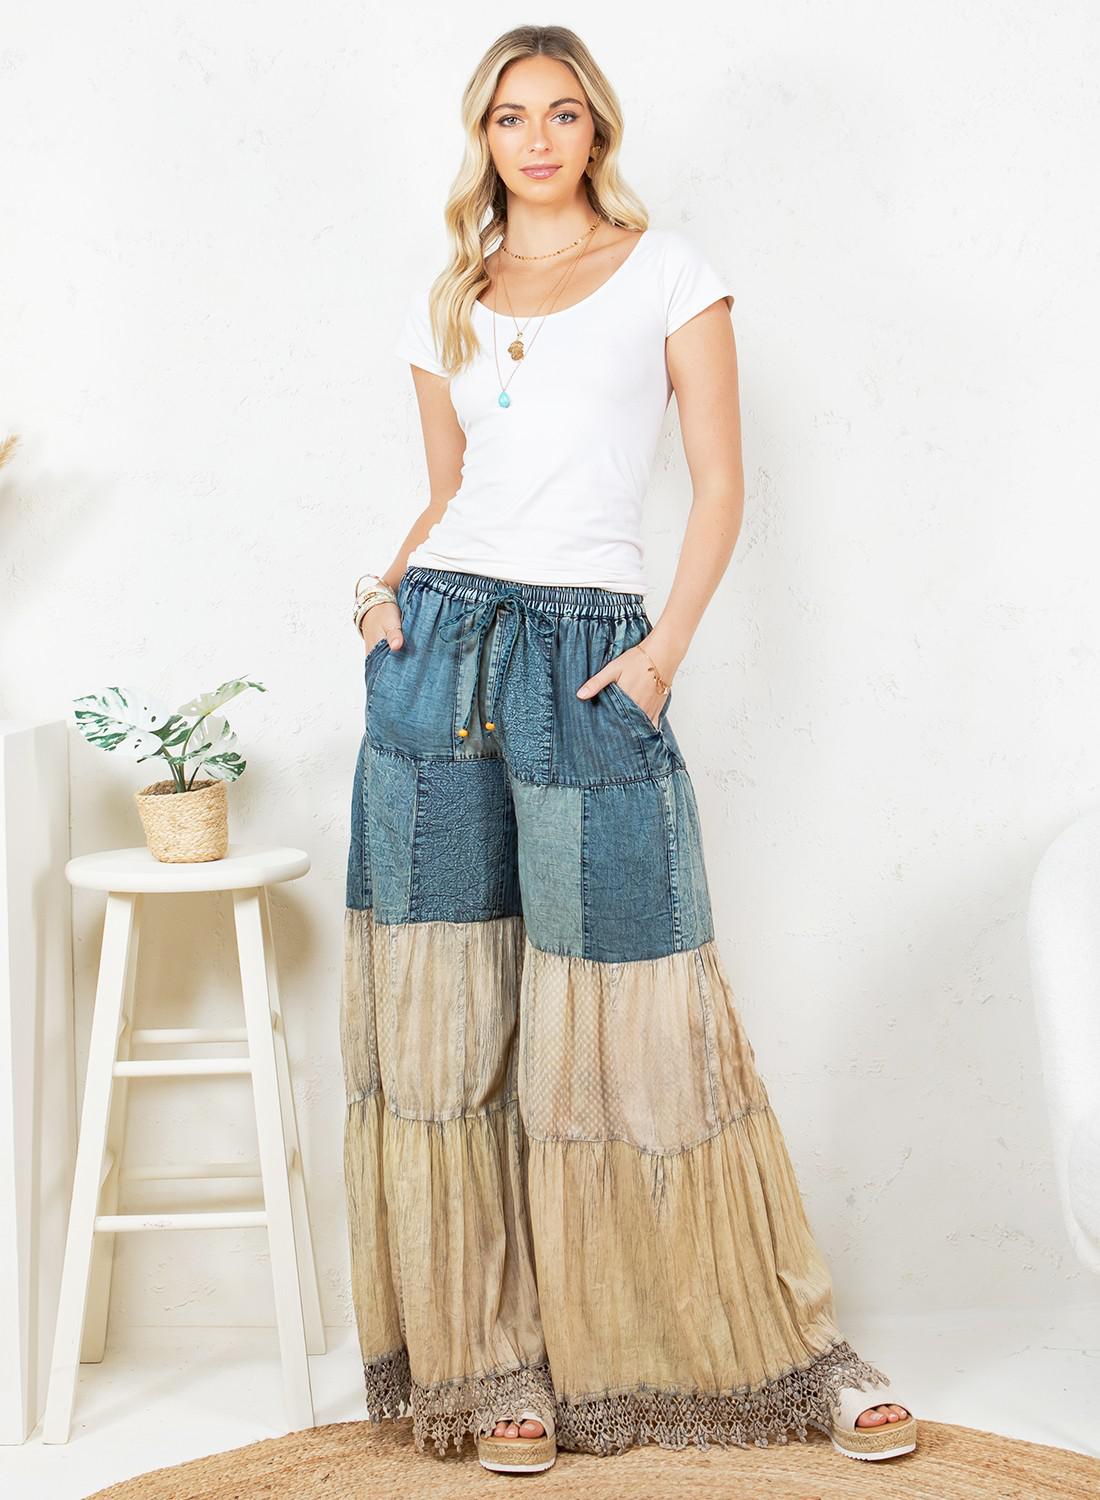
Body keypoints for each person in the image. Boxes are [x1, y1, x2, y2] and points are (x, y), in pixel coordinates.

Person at [340, 22, 917, 1475]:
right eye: (509, 116)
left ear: (597, 127)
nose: (536, 138)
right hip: (435, 655)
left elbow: (720, 486)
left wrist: (663, 657)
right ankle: (494, 1366)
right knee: (451, 1021)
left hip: (590, 655)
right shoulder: (451, 297)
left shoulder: (670, 271)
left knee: (642, 1006)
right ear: (482, 138)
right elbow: (451, 494)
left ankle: (773, 1345)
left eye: (561, 112)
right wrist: (378, 592)